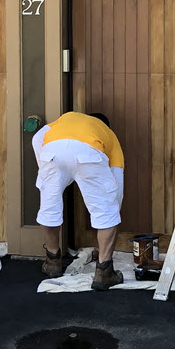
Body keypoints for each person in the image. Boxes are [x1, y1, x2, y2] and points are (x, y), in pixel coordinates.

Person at [31, 110, 125, 291]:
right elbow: (117, 178)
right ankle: (104, 273)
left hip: (52, 152)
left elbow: (37, 138)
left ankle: (52, 263)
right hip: (89, 154)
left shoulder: (67, 118)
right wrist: (113, 210)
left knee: (49, 209)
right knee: (106, 212)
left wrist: (44, 170)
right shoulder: (108, 134)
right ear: (105, 126)